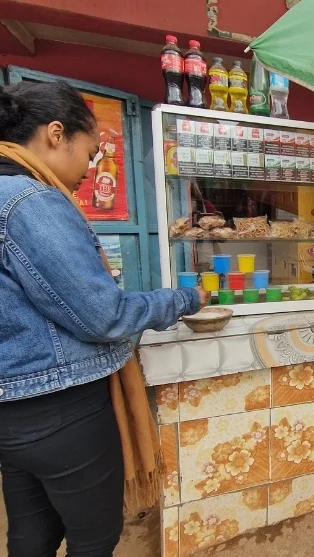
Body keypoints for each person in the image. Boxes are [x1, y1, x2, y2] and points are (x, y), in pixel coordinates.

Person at [0, 81, 208, 556]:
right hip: (59, 408)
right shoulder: (29, 200)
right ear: (56, 134)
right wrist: (183, 299)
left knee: (32, 534)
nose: (90, 170)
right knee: (95, 536)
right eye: (91, 154)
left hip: (13, 409)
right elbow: (102, 316)